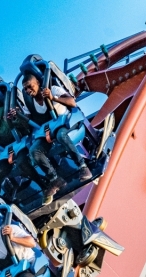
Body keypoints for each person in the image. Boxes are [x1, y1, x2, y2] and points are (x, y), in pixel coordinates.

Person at [14, 72, 91, 203]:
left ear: (38, 83)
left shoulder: (53, 88)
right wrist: (17, 117)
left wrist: (53, 97)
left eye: (29, 86)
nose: (27, 90)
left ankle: (83, 167)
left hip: (66, 122)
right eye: (25, 88)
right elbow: (27, 123)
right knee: (34, 151)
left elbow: (72, 102)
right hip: (47, 130)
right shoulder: (29, 102)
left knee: (61, 135)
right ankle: (55, 179)